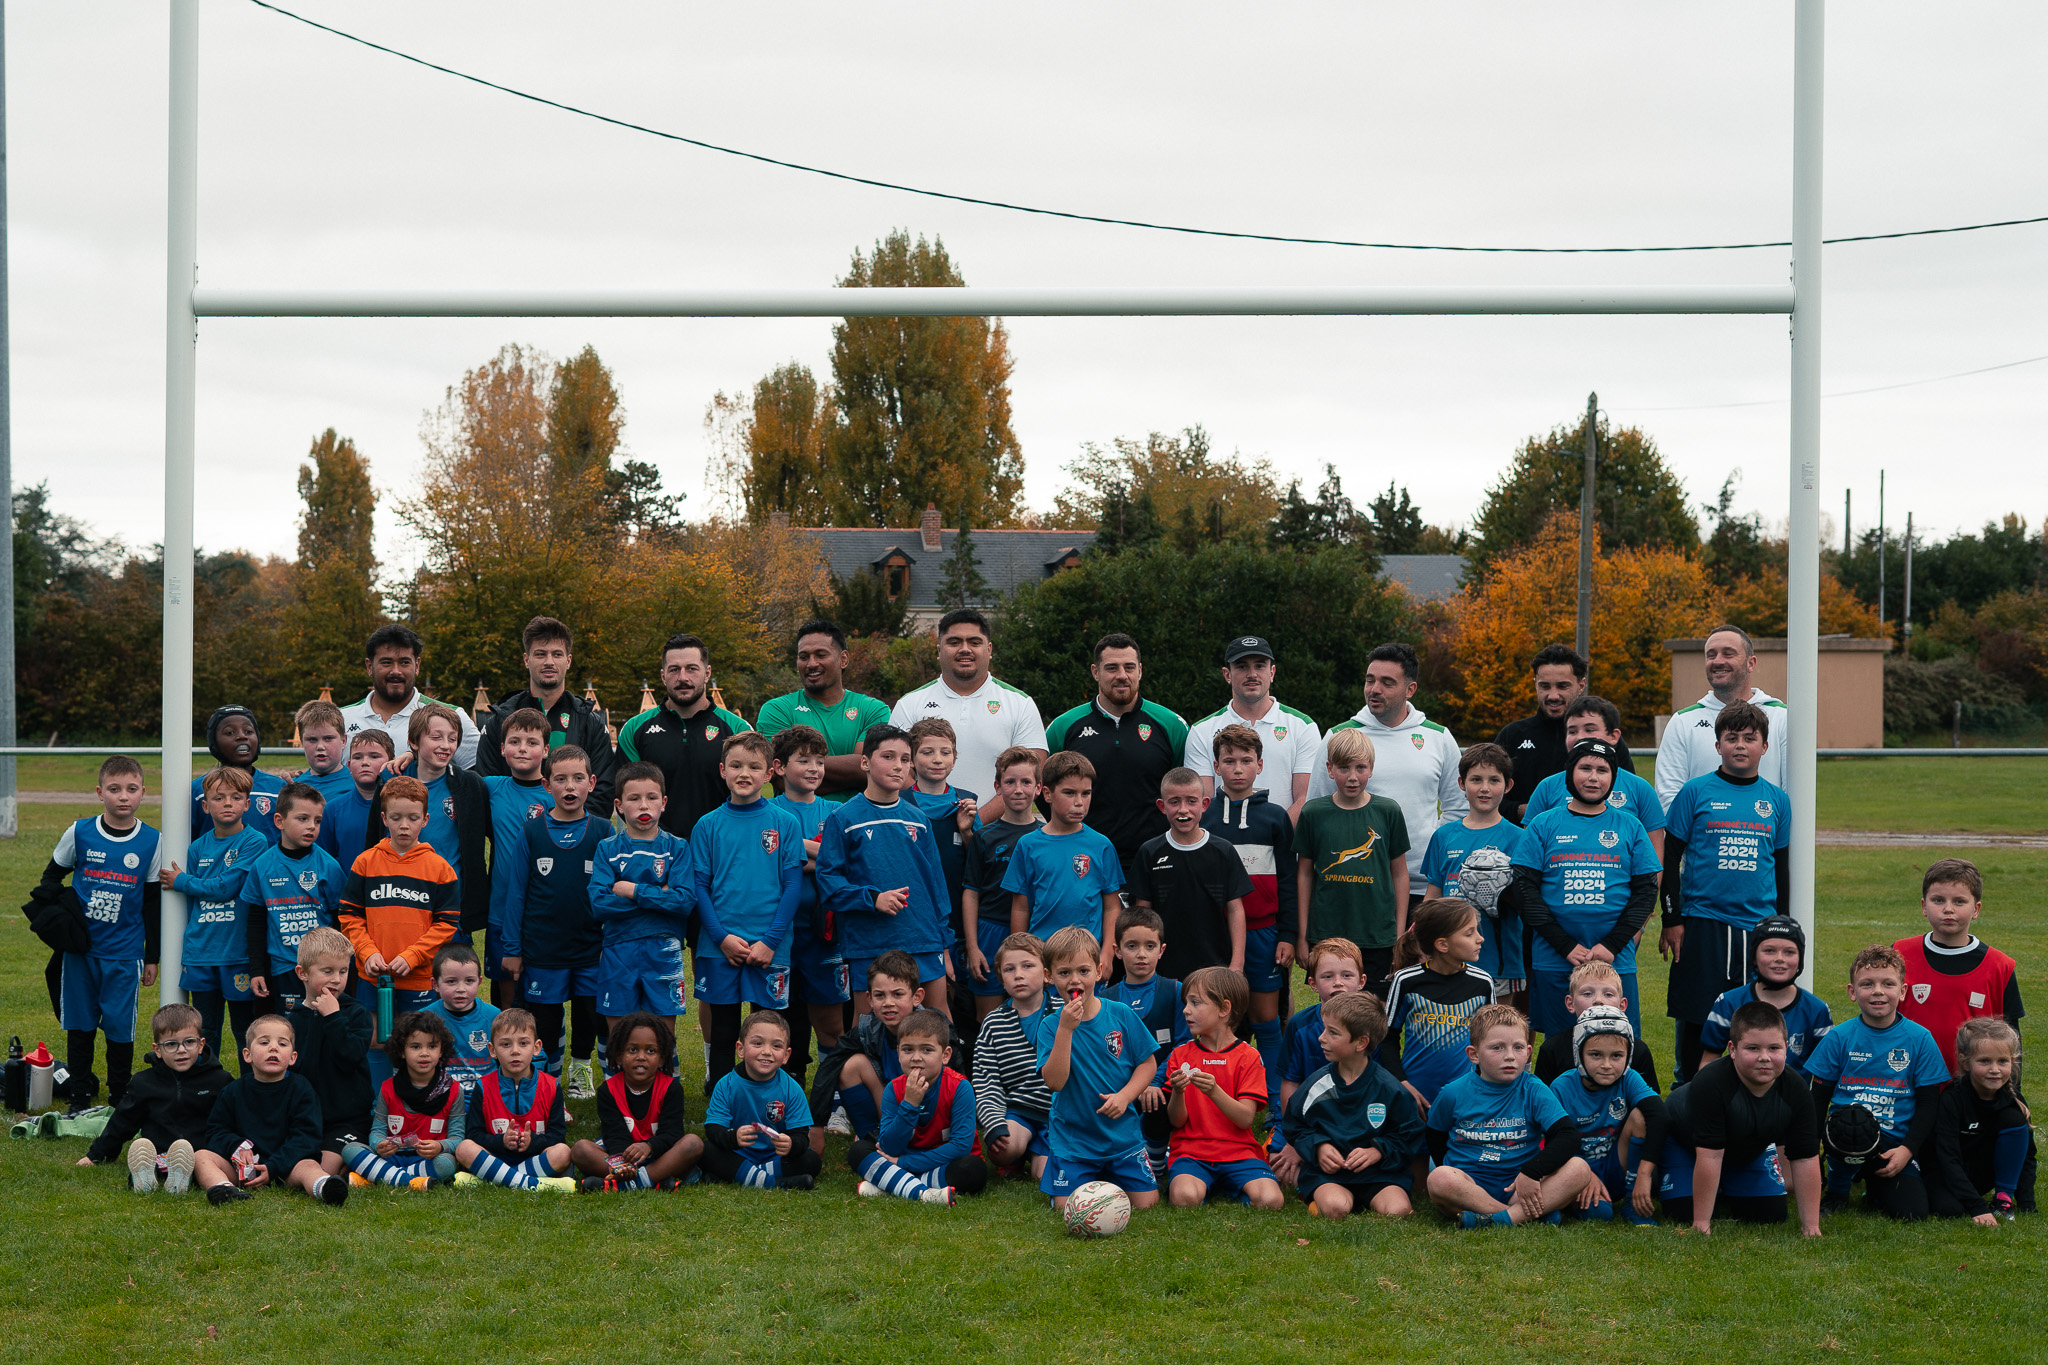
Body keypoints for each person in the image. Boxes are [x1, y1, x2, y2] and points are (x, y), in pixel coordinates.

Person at [1658, 699, 1792, 1083]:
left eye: (1749, 738)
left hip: (1757, 927)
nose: (1740, 745)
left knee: (1756, 1013)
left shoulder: (1777, 800)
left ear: (1765, 746)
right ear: (1718, 745)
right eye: (1731, 738)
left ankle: (1749, 1089)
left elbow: (1781, 867)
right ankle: (1687, 1087)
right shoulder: (1695, 792)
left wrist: (1781, 927)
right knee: (1697, 1015)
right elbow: (1670, 858)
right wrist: (1672, 919)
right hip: (1703, 922)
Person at [1515, 739, 1660, 1039]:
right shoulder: (1544, 824)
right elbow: (1524, 889)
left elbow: (1646, 891)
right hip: (1555, 957)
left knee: (1616, 1043)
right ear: (1570, 773)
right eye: (1585, 768)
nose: (1593, 777)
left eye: (1602, 770)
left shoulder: (1630, 825)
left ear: (1613, 777)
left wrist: (1613, 944)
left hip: (1613, 960)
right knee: (1559, 1045)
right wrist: (1565, 945)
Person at [42, 756, 163, 1110]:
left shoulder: (152, 841)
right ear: (99, 792)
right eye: (114, 789)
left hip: (125, 953)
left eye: (131, 789)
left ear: (143, 792)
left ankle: (119, 1095)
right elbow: (51, 879)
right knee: (80, 1025)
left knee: (119, 1028)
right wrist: (63, 921)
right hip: (80, 952)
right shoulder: (79, 832)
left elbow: (151, 904)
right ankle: (79, 1095)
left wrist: (152, 956)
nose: (123, 796)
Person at [689, 733, 807, 1085]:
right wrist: (721, 938)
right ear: (722, 770)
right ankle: (722, 1102)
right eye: (736, 766)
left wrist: (770, 941)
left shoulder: (785, 822)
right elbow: (700, 888)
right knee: (724, 1031)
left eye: (754, 767)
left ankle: (766, 1099)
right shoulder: (707, 825)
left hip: (770, 946)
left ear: (769, 773)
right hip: (720, 946)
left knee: (767, 1032)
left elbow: (793, 887)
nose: (744, 773)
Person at [815, 725, 953, 1018]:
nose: (898, 766)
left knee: (936, 1018)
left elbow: (936, 887)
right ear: (865, 762)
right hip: (869, 942)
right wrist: (872, 898)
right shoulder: (843, 818)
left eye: (905, 759)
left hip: (923, 937)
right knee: (869, 1022)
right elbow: (828, 883)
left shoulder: (919, 820)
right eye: (888, 757)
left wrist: (944, 942)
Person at [1309, 643, 1464, 902]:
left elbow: (1458, 809)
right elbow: (1317, 811)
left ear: (1410, 689)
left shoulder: (1439, 737)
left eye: (1387, 682)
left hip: (1425, 887)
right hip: (1357, 882)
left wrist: (1430, 851)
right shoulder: (1338, 736)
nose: (1374, 689)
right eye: (1370, 680)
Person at [1804, 944, 1950, 1219]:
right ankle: (1837, 1189)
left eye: (1888, 984)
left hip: (1893, 1145)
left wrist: (1907, 1150)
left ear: (1903, 991)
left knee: (1912, 1213)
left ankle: (1874, 1184)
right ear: (1852, 992)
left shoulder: (1920, 1039)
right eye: (1867, 984)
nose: (1878, 991)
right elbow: (1818, 1101)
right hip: (1844, 1138)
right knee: (1852, 1124)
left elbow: (1929, 1104)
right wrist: (1812, 1155)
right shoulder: (1839, 1037)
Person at [1200, 722, 1297, 1137]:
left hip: (1263, 934)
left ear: (1259, 765)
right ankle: (1215, 1103)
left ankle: (1276, 1109)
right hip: (1215, 935)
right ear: (1216, 766)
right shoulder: (1205, 816)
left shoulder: (1275, 818)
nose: (1237, 769)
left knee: (1266, 1020)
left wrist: (1288, 934)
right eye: (1229, 761)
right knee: (1213, 1020)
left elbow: (1289, 880)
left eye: (1245, 761)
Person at [1657, 1000, 1823, 1235]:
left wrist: (1811, 1226)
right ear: (1732, 1050)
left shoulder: (1796, 1089)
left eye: (1774, 1048)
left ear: (1786, 1048)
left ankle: (1726, 1182)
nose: (1764, 1057)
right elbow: (1710, 1155)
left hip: (1746, 1148)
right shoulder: (1711, 1082)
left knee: (1769, 1214)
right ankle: (1662, 1175)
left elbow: (1805, 1158)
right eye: (1753, 1048)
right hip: (1687, 1143)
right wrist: (1701, 1223)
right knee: (1681, 1211)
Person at [499, 746, 611, 1093]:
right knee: (545, 1018)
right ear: (547, 785)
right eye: (560, 779)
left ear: (592, 783)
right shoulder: (532, 832)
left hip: (591, 947)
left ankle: (580, 1069)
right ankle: (549, 1079)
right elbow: (516, 893)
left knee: (588, 1012)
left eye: (578, 778)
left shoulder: (603, 831)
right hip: (543, 947)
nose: (570, 786)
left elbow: (613, 894)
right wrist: (512, 948)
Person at [1424, 1003, 1590, 1227]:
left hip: (1520, 1186)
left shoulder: (1534, 1089)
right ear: (1474, 1054)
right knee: (1440, 1178)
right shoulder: (1453, 1093)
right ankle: (1523, 1216)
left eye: (1518, 1047)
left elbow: (1568, 1136)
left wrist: (1531, 1172)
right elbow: (1435, 1135)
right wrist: (1457, 1175)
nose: (1510, 1056)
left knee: (1579, 1168)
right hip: (1471, 1185)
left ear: (1528, 1052)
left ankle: (1496, 1219)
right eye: (1497, 1048)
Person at [1036, 926, 1161, 1215]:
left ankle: (1108, 1176)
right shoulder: (1050, 1026)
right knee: (1067, 1208)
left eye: (1083, 971)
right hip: (1074, 1141)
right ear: (1049, 976)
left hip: (1122, 1138)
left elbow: (1148, 1064)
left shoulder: (1121, 1014)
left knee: (1147, 1204)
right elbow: (1055, 1083)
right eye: (1064, 972)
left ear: (1099, 971)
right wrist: (1066, 1029)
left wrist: (1125, 1096)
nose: (1074, 980)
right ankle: (1081, 1177)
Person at [1043, 633, 1189, 873]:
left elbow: (1187, 792)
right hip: (1083, 859)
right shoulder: (1063, 727)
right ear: (1095, 672)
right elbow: (1043, 791)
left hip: (1156, 860)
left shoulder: (1172, 726)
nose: (1122, 675)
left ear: (1140, 671)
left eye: (1129, 667)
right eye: (1112, 668)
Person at [338, 776, 459, 1062]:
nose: (404, 825)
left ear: (425, 819)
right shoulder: (366, 862)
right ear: (384, 818)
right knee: (376, 1040)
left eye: (412, 818)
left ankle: (413, 1092)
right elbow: (350, 915)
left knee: (418, 1043)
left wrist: (414, 955)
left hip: (418, 977)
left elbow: (447, 924)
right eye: (396, 817)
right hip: (374, 975)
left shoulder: (440, 869)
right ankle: (379, 1093)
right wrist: (367, 952)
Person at [889, 608, 1048, 818]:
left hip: (998, 833)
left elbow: (1032, 774)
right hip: (924, 828)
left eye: (974, 642)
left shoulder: (1020, 703)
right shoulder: (909, 704)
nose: (965, 649)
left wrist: (976, 823)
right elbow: (896, 769)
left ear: (989, 649)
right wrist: (934, 822)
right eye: (954, 642)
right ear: (939, 650)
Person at [164, 766, 271, 1062]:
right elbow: (192, 904)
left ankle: (250, 1083)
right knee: (205, 1030)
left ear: (247, 804)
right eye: (218, 797)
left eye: (236, 797)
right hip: (201, 953)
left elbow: (227, 887)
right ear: (205, 805)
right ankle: (207, 1082)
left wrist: (182, 881)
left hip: (236, 953)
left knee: (244, 1029)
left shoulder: (255, 841)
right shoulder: (197, 848)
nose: (227, 803)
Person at [805, 951, 960, 1154]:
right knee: (851, 1065)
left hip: (931, 1113)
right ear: (869, 999)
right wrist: (816, 1125)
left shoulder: (937, 1027)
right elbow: (830, 1065)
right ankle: (872, 1137)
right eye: (880, 995)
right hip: (892, 1109)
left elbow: (959, 1078)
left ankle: (928, 1140)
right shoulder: (867, 1029)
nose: (888, 1003)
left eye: (897, 994)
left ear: (917, 997)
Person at [1285, 990, 1422, 1218]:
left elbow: (1409, 1135)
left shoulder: (1389, 1088)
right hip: (1330, 1174)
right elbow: (1294, 1126)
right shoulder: (1317, 1085)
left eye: (1333, 1032)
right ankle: (1319, 1200)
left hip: (1379, 1174)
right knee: (1336, 1208)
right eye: (1324, 1029)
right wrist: (1319, 1147)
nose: (1321, 1037)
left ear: (1361, 1043)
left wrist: (1377, 1151)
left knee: (1399, 1211)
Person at [1293, 729, 1410, 991]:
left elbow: (1400, 873)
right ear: (1330, 769)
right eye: (1344, 768)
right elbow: (1304, 873)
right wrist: (1302, 935)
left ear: (1371, 769)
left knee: (1375, 1006)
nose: (1353, 776)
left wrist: (1399, 934)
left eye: (1360, 767)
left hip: (1377, 933)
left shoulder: (1388, 811)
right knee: (1334, 1004)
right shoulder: (1313, 813)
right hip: (1327, 932)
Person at [194, 1013, 350, 1206]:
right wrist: (236, 1145)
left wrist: (274, 1167)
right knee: (201, 1156)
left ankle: (324, 1187)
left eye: (282, 1044)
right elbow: (216, 1130)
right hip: (243, 1169)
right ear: (247, 1055)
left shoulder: (302, 1090)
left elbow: (306, 1138)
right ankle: (223, 1188)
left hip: (287, 1168)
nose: (273, 1047)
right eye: (264, 1042)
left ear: (292, 1057)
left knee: (309, 1165)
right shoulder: (233, 1091)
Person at [1419, 743, 1534, 1000]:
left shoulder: (1519, 839)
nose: (1485, 788)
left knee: (1497, 1023)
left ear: (1508, 785)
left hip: (1500, 961)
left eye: (1494, 780)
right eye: (1476, 780)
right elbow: (1432, 897)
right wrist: (1421, 939)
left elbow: (1529, 902)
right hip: (1447, 959)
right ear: (1461, 783)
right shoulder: (1443, 836)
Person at [588, 761, 691, 1042]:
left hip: (664, 950)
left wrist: (633, 890)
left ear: (664, 803)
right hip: (618, 950)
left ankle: (665, 1074)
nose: (644, 805)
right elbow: (599, 903)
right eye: (634, 798)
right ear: (619, 806)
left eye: (651, 797)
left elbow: (684, 902)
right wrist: (661, 895)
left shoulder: (677, 848)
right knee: (620, 1037)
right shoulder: (607, 849)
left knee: (662, 1037)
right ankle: (619, 1073)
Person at [1163, 966, 1283, 1209]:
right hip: (1191, 1152)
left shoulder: (1249, 1057)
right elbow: (1176, 1121)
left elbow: (1245, 1119)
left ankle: (1230, 1185)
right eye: (1186, 1003)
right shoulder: (1180, 1055)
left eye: (1196, 1003)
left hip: (1239, 1152)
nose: (1186, 1010)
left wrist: (1214, 1091)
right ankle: (1208, 1185)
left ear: (1224, 1009)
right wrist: (1178, 1092)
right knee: (1184, 1198)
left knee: (1271, 1200)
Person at [475, 616, 619, 817]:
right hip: (514, 834)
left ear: (568, 661)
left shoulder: (590, 722)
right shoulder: (500, 720)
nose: (549, 662)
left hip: (573, 834)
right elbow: (484, 789)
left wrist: (568, 828)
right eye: (540, 654)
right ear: (527, 660)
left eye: (557, 654)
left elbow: (602, 791)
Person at [78, 1002, 227, 1193]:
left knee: (203, 1164)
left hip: (201, 1155)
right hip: (159, 1154)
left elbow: (231, 1120)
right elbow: (122, 1122)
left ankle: (181, 1177)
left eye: (189, 1042)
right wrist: (96, 1155)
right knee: (147, 1158)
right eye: (171, 1044)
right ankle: (145, 1179)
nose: (181, 1050)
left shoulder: (219, 1080)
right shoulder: (144, 1083)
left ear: (201, 1045)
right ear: (157, 1049)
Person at [769, 726, 850, 1081]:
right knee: (776, 1021)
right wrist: (820, 854)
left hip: (824, 934)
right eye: (804, 760)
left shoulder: (837, 810)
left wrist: (795, 849)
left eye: (820, 761)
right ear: (779, 767)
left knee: (831, 1022)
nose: (815, 768)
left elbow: (844, 861)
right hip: (776, 934)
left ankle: (836, 1095)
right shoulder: (767, 810)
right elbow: (767, 862)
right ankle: (781, 1092)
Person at [616, 633, 753, 839]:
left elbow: (750, 795)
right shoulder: (635, 729)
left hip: (721, 847)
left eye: (691, 669)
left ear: (707, 673)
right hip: (658, 850)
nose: (682, 678)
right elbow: (627, 797)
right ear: (663, 676)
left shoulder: (738, 729)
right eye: (674, 670)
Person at [1894, 857, 2024, 1075]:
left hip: (1973, 1087)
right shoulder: (1899, 954)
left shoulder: (2000, 966)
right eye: (1938, 900)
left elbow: (2012, 1041)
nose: (1948, 909)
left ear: (1976, 909)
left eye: (1959, 902)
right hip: (1908, 1081)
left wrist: (2013, 1090)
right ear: (1924, 906)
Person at [1003, 751, 1124, 977]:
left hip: (1087, 960)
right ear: (1047, 793)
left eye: (1086, 793)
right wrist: (1021, 954)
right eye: (1069, 793)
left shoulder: (1101, 845)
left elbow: (1111, 906)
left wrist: (1107, 952)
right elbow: (1021, 907)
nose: (1079, 802)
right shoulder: (1028, 845)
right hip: (1042, 957)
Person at [851, 1007, 984, 1205]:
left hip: (941, 1161)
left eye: (927, 1050)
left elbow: (960, 1147)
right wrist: (910, 1103)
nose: (916, 1057)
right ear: (898, 1053)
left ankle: (893, 1184)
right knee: (859, 1150)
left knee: (973, 1169)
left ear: (945, 1055)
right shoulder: (893, 1089)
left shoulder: (960, 1087)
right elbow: (889, 1146)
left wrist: (904, 1163)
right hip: (905, 1156)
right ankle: (925, 1193)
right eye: (908, 1049)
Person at [1129, 767, 1251, 982]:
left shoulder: (1223, 851)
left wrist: (1237, 964)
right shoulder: (1150, 852)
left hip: (1215, 966)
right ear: (1162, 806)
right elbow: (1143, 914)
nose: (1183, 809)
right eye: (1174, 802)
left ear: (1204, 804)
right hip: (1164, 970)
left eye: (1191, 801)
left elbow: (1235, 910)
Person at [1380, 898, 1497, 1121]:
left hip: (1467, 1097)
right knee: (1416, 1143)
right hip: (1416, 1095)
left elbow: (1491, 1041)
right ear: (1442, 945)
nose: (1480, 938)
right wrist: (1402, 1083)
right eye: (1469, 933)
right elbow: (1386, 1037)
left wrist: (1485, 1087)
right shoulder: (1406, 981)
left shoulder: (1483, 983)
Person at [1183, 635, 1321, 820]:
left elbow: (1306, 799)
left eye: (1260, 665)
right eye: (1242, 666)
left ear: (1272, 672)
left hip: (1283, 837)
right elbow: (1203, 802)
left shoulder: (1303, 726)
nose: (1252, 674)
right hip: (1221, 838)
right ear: (1227, 675)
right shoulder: (1202, 731)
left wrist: (1274, 832)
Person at [1548, 1006, 1664, 1224]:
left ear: (1628, 1055)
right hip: (1576, 1168)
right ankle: (1560, 1203)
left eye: (1617, 1056)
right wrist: (1584, 1174)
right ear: (1578, 1053)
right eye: (1596, 1055)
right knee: (1600, 1214)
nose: (1607, 1065)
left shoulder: (1629, 1078)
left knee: (1641, 1116)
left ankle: (1633, 1202)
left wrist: (1644, 1175)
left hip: (1615, 1165)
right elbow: (1553, 1143)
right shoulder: (1561, 1087)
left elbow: (1659, 1114)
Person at [755, 618, 893, 800]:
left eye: (821, 655)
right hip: (797, 818)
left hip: (858, 818)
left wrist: (799, 767)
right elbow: (779, 778)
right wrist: (856, 775)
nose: (811, 664)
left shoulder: (873, 710)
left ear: (843, 659)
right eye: (804, 657)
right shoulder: (777, 710)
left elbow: (870, 769)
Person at [1653, 625, 1789, 809]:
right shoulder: (1683, 721)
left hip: (1765, 827)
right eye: (1711, 655)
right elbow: (1669, 797)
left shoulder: (1782, 717)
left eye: (1728, 654)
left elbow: (1796, 794)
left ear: (1751, 663)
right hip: (1701, 829)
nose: (1717, 661)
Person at [1492, 645, 1632, 823]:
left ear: (1581, 685)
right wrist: (1525, 810)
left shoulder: (1603, 740)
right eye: (1544, 686)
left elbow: (1628, 797)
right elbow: (1487, 797)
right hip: (1526, 835)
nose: (1553, 695)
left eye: (1562, 686)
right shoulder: (1512, 736)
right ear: (1535, 684)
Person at [236, 781, 345, 1009]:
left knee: (322, 1024)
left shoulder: (329, 866)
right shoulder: (263, 866)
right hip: (281, 968)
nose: (311, 826)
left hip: (321, 970)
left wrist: (338, 967)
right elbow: (255, 922)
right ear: (279, 821)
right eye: (302, 819)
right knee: (283, 1026)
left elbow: (340, 921)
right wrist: (257, 970)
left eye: (317, 820)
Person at [571, 1013, 705, 1192]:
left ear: (662, 1059)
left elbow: (672, 1134)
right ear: (619, 1056)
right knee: (580, 1149)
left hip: (660, 1156)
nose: (641, 1057)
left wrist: (648, 1146)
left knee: (693, 1143)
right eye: (632, 1050)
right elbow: (614, 1135)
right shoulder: (608, 1090)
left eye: (651, 1051)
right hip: (623, 1158)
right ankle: (652, 1180)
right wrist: (622, 1164)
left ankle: (626, 1184)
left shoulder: (671, 1088)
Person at [1102, 905, 1189, 1176]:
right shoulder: (1106, 999)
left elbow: (1183, 1045)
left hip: (1161, 1085)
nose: (1141, 954)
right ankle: (1116, 1154)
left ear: (1161, 950)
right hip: (1121, 1086)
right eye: (1132, 946)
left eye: (1149, 946)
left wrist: (1154, 1081)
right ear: (1117, 951)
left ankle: (1157, 1157)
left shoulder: (1175, 991)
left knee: (1155, 1100)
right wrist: (1129, 1088)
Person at [1272, 937, 1368, 1181]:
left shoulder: (1371, 1025)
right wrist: (1295, 1139)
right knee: (1281, 1170)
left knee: (1354, 1167)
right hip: (1306, 1118)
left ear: (1361, 981)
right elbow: (1290, 1083)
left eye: (1347, 975)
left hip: (1355, 1119)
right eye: (1327, 976)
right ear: (1313, 983)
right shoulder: (1300, 1025)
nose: (1338, 983)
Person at [450, 1008, 577, 1192]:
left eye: (523, 1043)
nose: (515, 1051)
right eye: (505, 1044)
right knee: (464, 1148)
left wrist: (532, 1142)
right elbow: (474, 1135)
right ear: (492, 1050)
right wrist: (501, 1141)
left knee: (563, 1152)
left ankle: (495, 1179)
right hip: (495, 1156)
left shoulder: (551, 1086)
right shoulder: (483, 1086)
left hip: (534, 1157)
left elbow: (557, 1135)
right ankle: (532, 1183)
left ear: (536, 1047)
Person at [1519, 696, 1665, 851]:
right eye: (1572, 731)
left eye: (1589, 730)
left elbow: (1653, 858)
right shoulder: (1547, 787)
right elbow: (1529, 853)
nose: (1579, 737)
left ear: (1613, 736)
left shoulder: (1640, 788)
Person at [961, 747, 1043, 1023]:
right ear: (998, 787)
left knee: (1032, 1015)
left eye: (1026, 782)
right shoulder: (984, 836)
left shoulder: (1046, 836)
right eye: (1010, 782)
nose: (1018, 789)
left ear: (1039, 788)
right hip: (990, 932)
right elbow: (971, 892)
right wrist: (973, 947)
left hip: (1034, 931)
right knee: (989, 1017)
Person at [285, 926, 375, 1174]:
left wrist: (333, 1017)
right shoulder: (292, 1020)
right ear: (302, 973)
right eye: (328, 971)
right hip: (305, 1118)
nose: (337, 978)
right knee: (290, 1163)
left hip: (347, 1119)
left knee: (324, 1167)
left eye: (343, 971)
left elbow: (351, 1056)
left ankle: (353, 1161)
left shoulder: (356, 1013)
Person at [1928, 1018, 2036, 1222]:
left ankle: (2003, 1198)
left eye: (2002, 1061)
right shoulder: (1952, 1099)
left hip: (1981, 1172)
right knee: (1950, 1209)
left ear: (2012, 1061)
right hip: (1947, 1170)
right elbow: (1947, 1157)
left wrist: (2028, 1204)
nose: (1994, 1069)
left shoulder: (2014, 1100)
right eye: (1984, 1061)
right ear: (1965, 1062)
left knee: (2014, 1118)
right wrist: (1977, 1207)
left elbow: (2027, 1156)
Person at [404, 703, 493, 953]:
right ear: (413, 742)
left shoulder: (469, 785)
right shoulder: (394, 782)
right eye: (436, 737)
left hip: (451, 903)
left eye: (452, 739)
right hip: (405, 898)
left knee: (452, 971)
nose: (445, 745)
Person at [341, 1009, 464, 1189]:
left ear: (441, 1051)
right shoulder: (388, 1087)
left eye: (432, 1046)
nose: (424, 1053)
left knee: (447, 1163)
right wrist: (380, 1144)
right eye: (415, 1047)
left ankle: (380, 1177)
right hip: (392, 1157)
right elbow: (377, 1131)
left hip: (428, 1159)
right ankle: (411, 1181)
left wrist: (440, 1146)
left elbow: (458, 1137)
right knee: (350, 1149)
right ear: (402, 1051)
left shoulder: (453, 1089)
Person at [480, 707, 553, 1006]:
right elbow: (444, 776)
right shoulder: (490, 787)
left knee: (543, 995)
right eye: (515, 741)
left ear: (546, 750)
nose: (522, 748)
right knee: (507, 997)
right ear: (502, 748)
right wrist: (409, 757)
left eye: (532, 742)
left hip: (542, 912)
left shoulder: (556, 795)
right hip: (500, 909)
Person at [1697, 915, 1833, 1077]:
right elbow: (1709, 1062)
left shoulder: (1816, 1010)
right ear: (1754, 957)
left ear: (1800, 958)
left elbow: (1826, 1072)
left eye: (1789, 952)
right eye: (1769, 951)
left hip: (1794, 1094)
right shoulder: (1728, 1003)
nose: (1779, 959)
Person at [701, 1010, 823, 1190]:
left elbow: (801, 1135)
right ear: (740, 1049)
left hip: (774, 1157)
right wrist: (733, 1137)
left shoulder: (792, 1089)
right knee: (705, 1150)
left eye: (776, 1046)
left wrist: (791, 1145)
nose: (766, 1052)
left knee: (811, 1160)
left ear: (786, 1055)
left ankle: (741, 1175)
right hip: (737, 1154)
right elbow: (713, 1129)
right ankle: (774, 1183)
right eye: (757, 1043)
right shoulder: (725, 1085)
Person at [972, 932, 1061, 1178]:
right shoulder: (993, 1023)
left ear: (1047, 974)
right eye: (1009, 969)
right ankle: (1018, 1153)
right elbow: (986, 1081)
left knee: (1044, 1175)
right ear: (1002, 979)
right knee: (1003, 1150)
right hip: (1019, 1110)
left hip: (1060, 1110)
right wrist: (994, 1124)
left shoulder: (1064, 1013)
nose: (1018, 974)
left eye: (1027, 966)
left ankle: (1039, 1152)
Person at [904, 717, 980, 998]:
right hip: (913, 915)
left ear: (955, 758)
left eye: (945, 752)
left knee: (958, 995)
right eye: (927, 752)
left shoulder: (967, 803)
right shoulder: (899, 802)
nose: (937, 759)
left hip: (958, 914)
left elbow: (979, 866)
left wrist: (967, 831)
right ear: (912, 759)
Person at [339, 623, 481, 767]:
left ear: (417, 665)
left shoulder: (453, 718)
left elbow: (482, 773)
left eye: (404, 662)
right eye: (386, 662)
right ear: (369, 666)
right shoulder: (341, 719)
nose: (396, 671)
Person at [1533, 961, 1662, 1090]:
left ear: (1622, 1005)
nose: (1598, 1000)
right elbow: (1541, 1099)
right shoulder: (1552, 1050)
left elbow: (1650, 1099)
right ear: (1570, 1003)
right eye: (1587, 994)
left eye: (1608, 994)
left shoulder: (1638, 1050)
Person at [188, 704, 288, 850]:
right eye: (229, 732)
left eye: (248, 731)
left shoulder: (278, 787)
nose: (242, 736)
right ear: (214, 742)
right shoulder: (198, 790)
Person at [421, 943, 499, 1085]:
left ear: (479, 981)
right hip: (442, 1093)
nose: (461, 989)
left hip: (486, 1094)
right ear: (435, 984)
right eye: (451, 981)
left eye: (469, 981)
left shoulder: (495, 1017)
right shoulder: (424, 1018)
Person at [317, 729, 390, 872]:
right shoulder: (332, 810)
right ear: (349, 766)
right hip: (347, 885)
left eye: (374, 756)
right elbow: (324, 862)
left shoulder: (403, 808)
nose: (365, 762)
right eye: (358, 757)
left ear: (390, 762)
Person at [292, 699, 356, 809]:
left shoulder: (359, 787)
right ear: (302, 742)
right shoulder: (291, 787)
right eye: (312, 739)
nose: (320, 746)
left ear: (344, 741)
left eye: (328, 738)